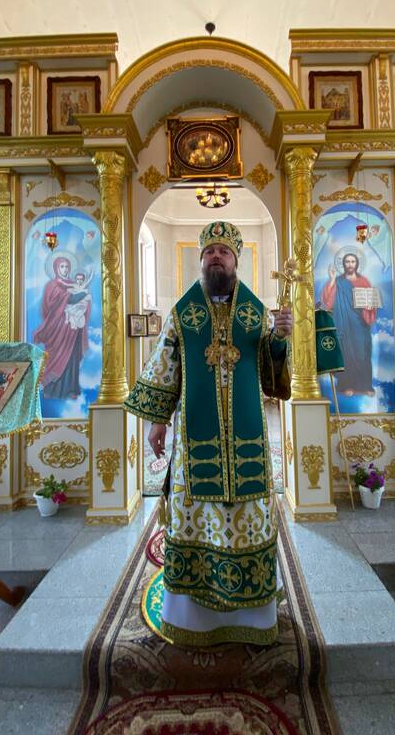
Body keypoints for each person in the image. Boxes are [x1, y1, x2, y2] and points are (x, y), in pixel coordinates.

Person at [124, 221, 292, 647]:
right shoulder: (183, 314)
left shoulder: (255, 313)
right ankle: (193, 619)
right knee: (193, 520)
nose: (217, 257)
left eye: (224, 252)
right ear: (201, 261)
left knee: (250, 517)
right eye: (210, 252)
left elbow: (272, 376)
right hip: (194, 442)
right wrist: (157, 420)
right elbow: (166, 365)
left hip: (248, 444)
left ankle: (252, 618)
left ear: (236, 261)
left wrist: (279, 339)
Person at [32, 256, 90, 399]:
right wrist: (81, 294)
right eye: (62, 267)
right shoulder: (52, 285)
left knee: (72, 358)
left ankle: (70, 390)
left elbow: (81, 302)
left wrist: (82, 301)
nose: (65, 269)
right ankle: (52, 390)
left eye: (67, 267)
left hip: (72, 330)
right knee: (57, 357)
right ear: (56, 268)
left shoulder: (73, 284)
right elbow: (53, 304)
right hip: (57, 328)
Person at [321, 252, 376, 396]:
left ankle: (365, 386)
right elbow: (328, 302)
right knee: (346, 354)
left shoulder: (364, 282)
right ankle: (347, 385)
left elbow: (371, 302)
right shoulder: (338, 281)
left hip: (360, 325)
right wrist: (332, 279)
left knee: (362, 353)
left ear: (357, 264)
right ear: (343, 264)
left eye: (353, 261)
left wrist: (370, 307)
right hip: (343, 325)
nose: (350, 264)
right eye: (347, 262)